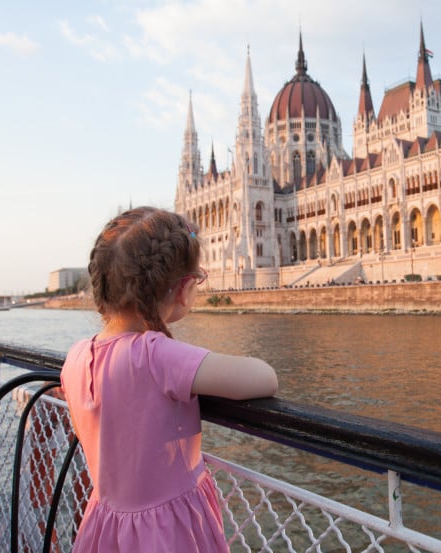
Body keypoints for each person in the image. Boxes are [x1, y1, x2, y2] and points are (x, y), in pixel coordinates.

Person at [61, 207, 279, 553]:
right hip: (168, 534)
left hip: (105, 529)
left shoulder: (74, 358)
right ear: (182, 289)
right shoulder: (157, 356)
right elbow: (264, 378)